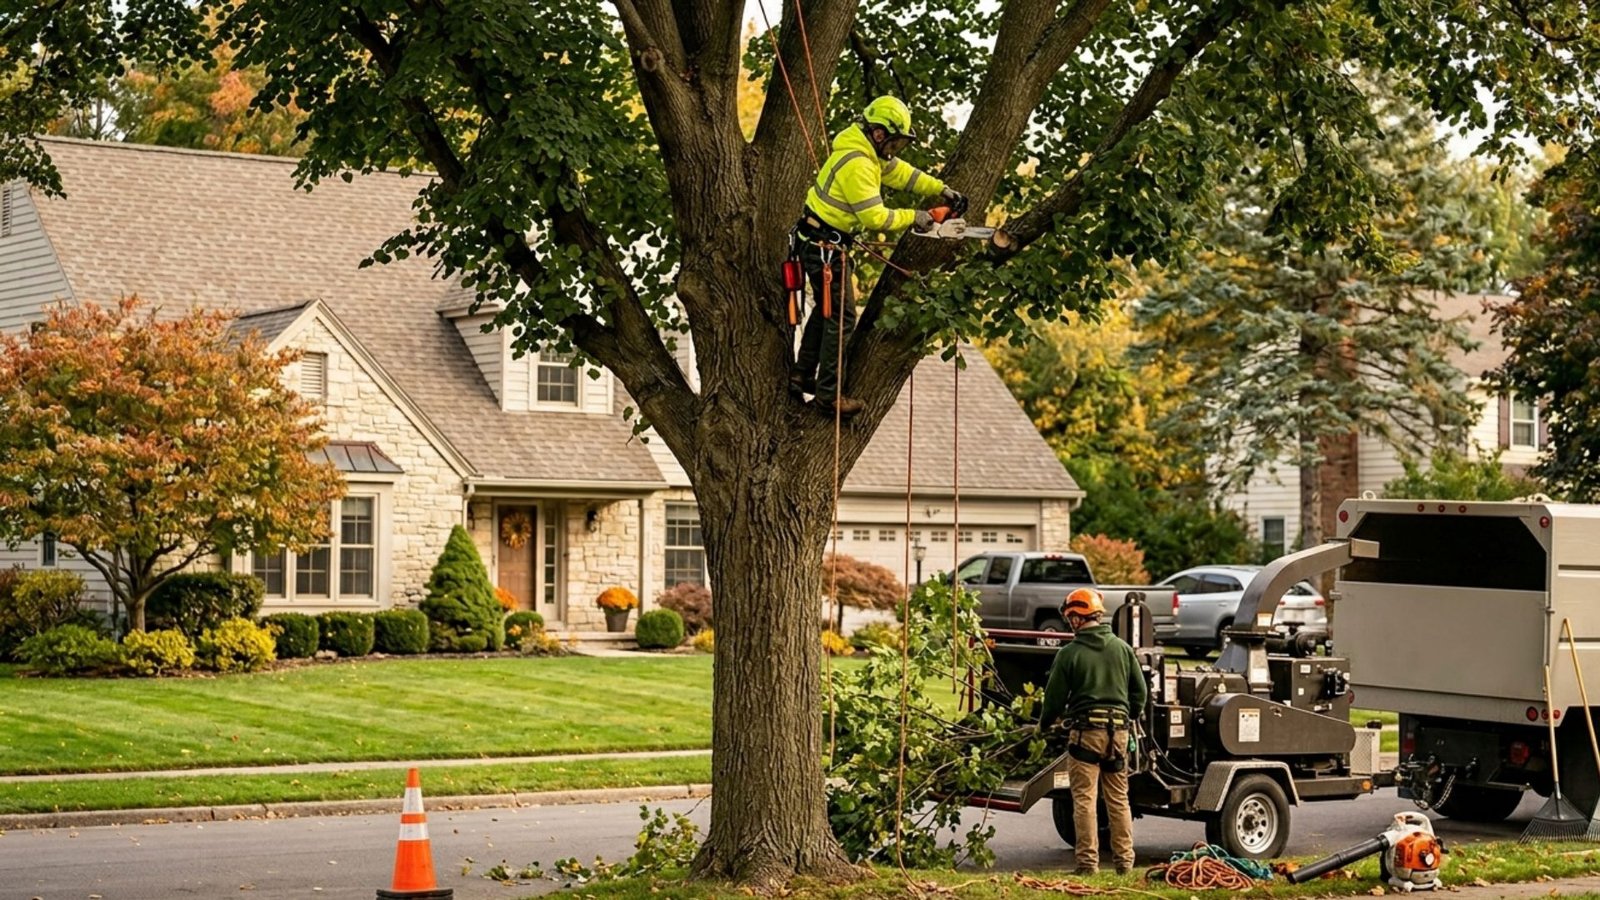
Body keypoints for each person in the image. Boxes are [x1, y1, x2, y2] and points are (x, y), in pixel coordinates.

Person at [791, 95, 966, 416]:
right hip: (824, 247)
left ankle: (801, 374)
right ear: (879, 133)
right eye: (895, 143)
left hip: (821, 241)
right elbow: (876, 217)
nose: (895, 151)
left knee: (828, 312)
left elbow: (903, 174)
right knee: (842, 317)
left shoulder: (868, 151)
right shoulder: (858, 164)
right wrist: (916, 217)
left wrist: (941, 189)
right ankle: (829, 395)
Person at [1038, 587, 1147, 876]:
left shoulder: (1069, 653)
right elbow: (1140, 693)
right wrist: (1129, 716)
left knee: (1085, 800)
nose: (1069, 623)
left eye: (1069, 618)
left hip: (1086, 735)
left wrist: (1043, 726)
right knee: (1118, 800)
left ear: (1076, 617)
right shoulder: (1122, 649)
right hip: (1119, 735)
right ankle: (1125, 863)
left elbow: (1054, 699)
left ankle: (1088, 864)